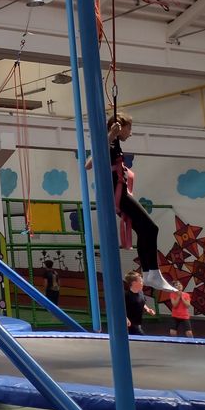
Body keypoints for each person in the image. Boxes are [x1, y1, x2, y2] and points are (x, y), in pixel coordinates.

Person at [87, 114, 175, 292]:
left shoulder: (114, 144)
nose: (131, 133)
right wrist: (111, 135)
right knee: (151, 228)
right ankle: (153, 272)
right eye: (130, 128)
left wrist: (112, 137)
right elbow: (89, 164)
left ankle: (150, 273)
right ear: (120, 127)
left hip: (119, 192)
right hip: (116, 193)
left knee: (144, 230)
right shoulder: (108, 142)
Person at [124, 270, 155, 335]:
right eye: (140, 281)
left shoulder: (141, 293)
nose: (142, 283)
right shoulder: (126, 295)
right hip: (129, 324)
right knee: (142, 337)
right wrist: (125, 318)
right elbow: (120, 309)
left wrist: (148, 309)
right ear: (134, 283)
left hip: (138, 323)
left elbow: (142, 303)